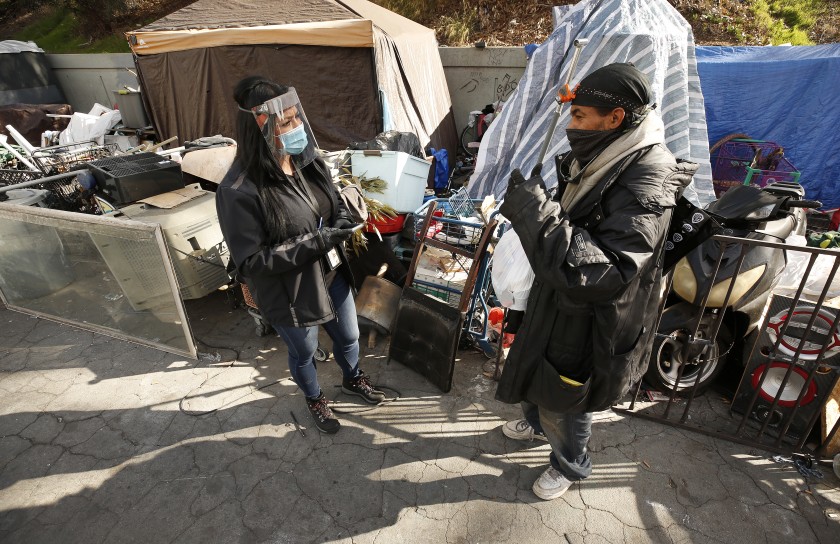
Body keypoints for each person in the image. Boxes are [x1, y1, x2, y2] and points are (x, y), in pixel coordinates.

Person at [496, 63, 697, 500]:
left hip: (592, 314)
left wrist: (535, 213)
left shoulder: (650, 175)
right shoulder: (607, 150)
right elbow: (580, 219)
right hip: (557, 298)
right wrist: (547, 205)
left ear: (615, 117)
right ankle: (534, 424)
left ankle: (570, 463)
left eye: (580, 116)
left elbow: (605, 270)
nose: (572, 126)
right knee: (538, 370)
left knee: (566, 396)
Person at [216, 76, 385, 434]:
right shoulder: (239, 191)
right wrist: (320, 241)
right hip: (290, 291)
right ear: (260, 127)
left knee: (350, 337)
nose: (298, 128)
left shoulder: (306, 160)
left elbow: (331, 200)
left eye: (297, 117)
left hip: (331, 274)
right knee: (305, 351)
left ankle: (352, 378)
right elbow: (252, 261)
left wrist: (341, 217)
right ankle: (314, 397)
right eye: (287, 122)